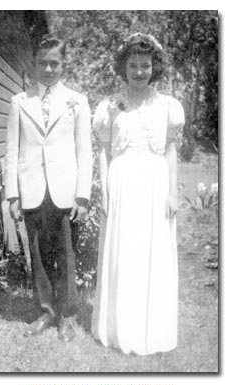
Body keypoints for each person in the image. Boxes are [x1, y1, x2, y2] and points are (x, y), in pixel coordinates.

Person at [91, 33, 185, 355]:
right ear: (124, 67)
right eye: (133, 65)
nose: (139, 71)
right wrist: (104, 192)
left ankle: (151, 330)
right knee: (124, 253)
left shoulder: (168, 106)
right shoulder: (110, 107)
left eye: (145, 65)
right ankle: (120, 329)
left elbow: (170, 150)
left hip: (156, 185)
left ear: (154, 67)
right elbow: (104, 151)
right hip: (122, 183)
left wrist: (173, 192)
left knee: (152, 255)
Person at [5, 34, 92, 341]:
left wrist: (82, 194)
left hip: (65, 190)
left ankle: (67, 316)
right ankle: (46, 311)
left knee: (67, 254)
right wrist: (12, 194)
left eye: (54, 63)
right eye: (42, 62)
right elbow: (12, 152)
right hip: (31, 190)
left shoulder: (77, 101)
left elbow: (85, 151)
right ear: (34, 63)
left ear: (63, 64)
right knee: (39, 255)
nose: (48, 69)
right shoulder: (20, 102)